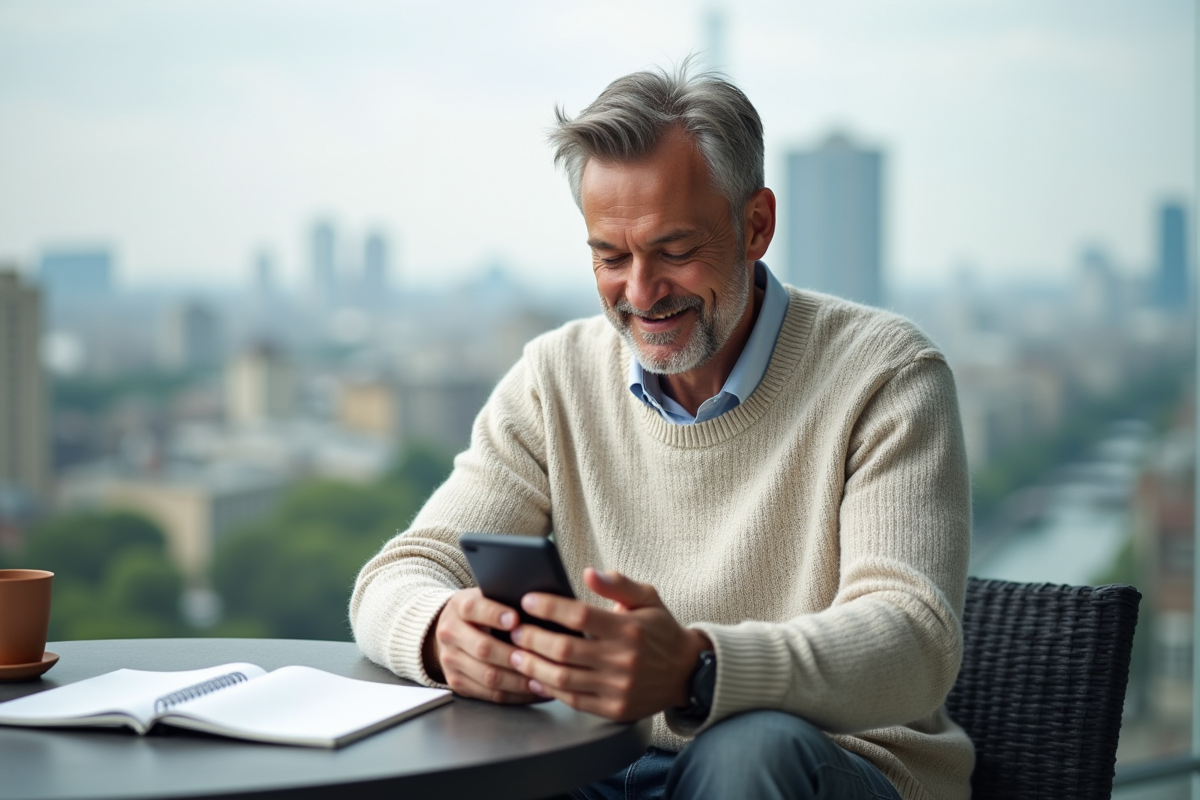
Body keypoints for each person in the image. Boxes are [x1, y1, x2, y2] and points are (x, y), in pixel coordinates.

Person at [351, 62, 974, 800]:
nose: (640, 294)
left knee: (751, 752)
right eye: (609, 257)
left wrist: (696, 667)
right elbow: (395, 576)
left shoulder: (886, 374)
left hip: (826, 768)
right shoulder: (555, 379)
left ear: (756, 226)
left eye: (674, 252)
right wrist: (440, 630)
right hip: (602, 766)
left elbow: (913, 640)